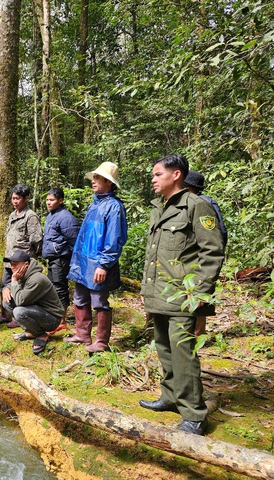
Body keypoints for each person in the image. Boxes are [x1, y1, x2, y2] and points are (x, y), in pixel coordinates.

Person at [139, 153, 224, 436]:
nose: (153, 179)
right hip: (160, 292)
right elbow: (153, 256)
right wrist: (146, 292)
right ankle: (170, 396)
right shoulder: (159, 208)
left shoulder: (196, 206)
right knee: (163, 347)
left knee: (183, 353)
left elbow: (211, 253)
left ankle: (194, 414)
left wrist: (199, 295)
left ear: (176, 175)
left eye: (157, 174)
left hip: (183, 296)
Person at [65, 161, 128, 352]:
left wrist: (104, 264)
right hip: (83, 261)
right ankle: (82, 334)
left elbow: (114, 239)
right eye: (94, 177)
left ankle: (101, 341)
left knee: (99, 300)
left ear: (109, 183)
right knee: (80, 297)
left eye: (98, 178)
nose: (94, 181)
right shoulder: (95, 205)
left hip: (98, 263)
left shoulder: (113, 207)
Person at [0, 184, 43, 328]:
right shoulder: (12, 215)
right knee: (4, 285)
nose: (15, 201)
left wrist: (30, 259)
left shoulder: (30, 216)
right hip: (9, 259)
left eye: (18, 198)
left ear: (26, 199)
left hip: (23, 260)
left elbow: (36, 240)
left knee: (20, 287)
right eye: (13, 198)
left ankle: (20, 316)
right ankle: (5, 314)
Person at [183, 169, 227, 337]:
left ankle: (198, 332)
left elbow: (217, 234)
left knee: (202, 291)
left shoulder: (203, 204)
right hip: (188, 255)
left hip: (201, 254)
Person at [1, 250, 64, 355]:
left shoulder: (36, 279)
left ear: (26, 264)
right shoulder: (24, 274)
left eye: (15, 264)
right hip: (38, 311)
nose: (12, 267)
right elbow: (17, 288)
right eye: (11, 265)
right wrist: (6, 289)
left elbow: (20, 301)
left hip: (52, 319)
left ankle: (41, 335)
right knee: (6, 302)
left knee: (19, 311)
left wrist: (13, 280)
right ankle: (31, 331)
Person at [42, 188, 80, 328]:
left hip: (61, 258)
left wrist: (66, 254)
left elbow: (74, 240)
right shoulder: (52, 215)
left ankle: (61, 320)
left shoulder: (65, 217)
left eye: (52, 200)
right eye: (47, 200)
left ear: (60, 200)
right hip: (53, 258)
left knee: (60, 287)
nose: (48, 203)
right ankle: (55, 317)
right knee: (52, 287)